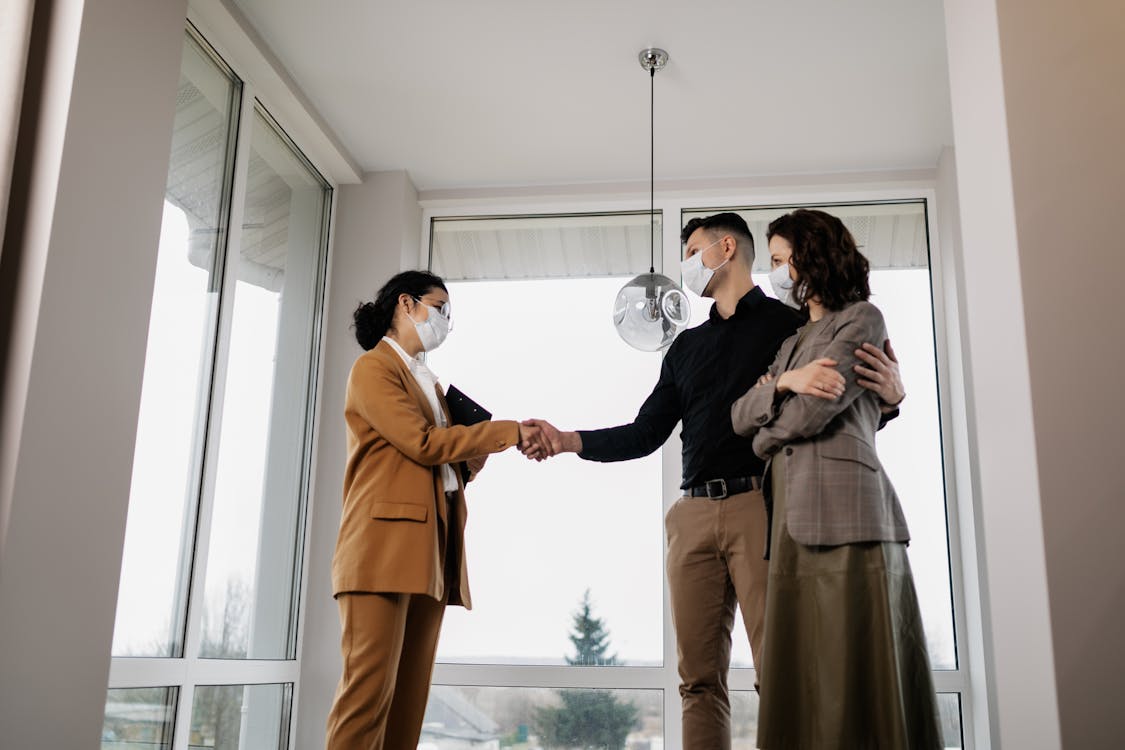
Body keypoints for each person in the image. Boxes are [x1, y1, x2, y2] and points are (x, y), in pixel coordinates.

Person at [523, 212, 905, 750]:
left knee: (785, 671)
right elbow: (645, 431)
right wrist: (568, 440)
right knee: (697, 680)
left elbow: (841, 402)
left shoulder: (792, 327)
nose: (685, 264)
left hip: (764, 508)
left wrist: (891, 399)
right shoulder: (684, 348)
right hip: (692, 517)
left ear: (726, 248)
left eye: (691, 249)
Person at [731, 209, 942, 749]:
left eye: (779, 260)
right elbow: (738, 416)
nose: (774, 273)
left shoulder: (862, 319)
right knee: (805, 671)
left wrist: (770, 415)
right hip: (792, 520)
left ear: (811, 257)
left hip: (849, 513)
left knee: (856, 666)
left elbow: (810, 416)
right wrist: (785, 384)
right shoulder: (792, 342)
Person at [325, 270, 544, 750]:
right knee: (365, 701)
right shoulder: (374, 369)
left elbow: (439, 469)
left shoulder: (427, 381)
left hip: (429, 553)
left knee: (407, 705)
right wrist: (507, 432)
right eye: (440, 307)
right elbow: (422, 444)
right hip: (380, 553)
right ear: (406, 304)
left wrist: (473, 460)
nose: (446, 320)